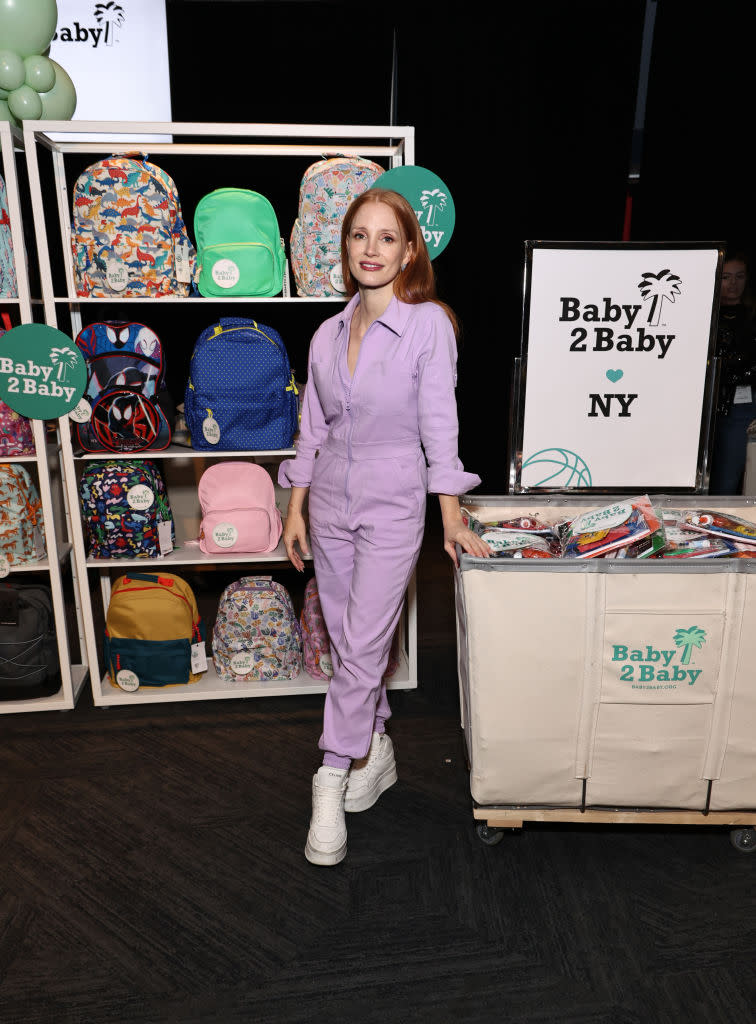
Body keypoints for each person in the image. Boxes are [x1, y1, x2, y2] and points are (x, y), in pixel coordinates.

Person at [278, 187, 491, 866]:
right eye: (359, 236)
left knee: (366, 640)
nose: (371, 250)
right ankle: (377, 752)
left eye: (386, 238)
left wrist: (450, 515)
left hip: (395, 499)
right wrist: (294, 507)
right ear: (345, 248)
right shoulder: (325, 333)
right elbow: (312, 426)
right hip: (331, 500)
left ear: (410, 251)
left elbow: (440, 426)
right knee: (347, 641)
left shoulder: (429, 324)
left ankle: (332, 771)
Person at [709, 249, 756, 494]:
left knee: (728, 478)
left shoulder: (752, 315)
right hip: (704, 405)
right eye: (726, 277)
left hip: (741, 405)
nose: (733, 284)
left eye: (739, 276)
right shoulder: (705, 313)